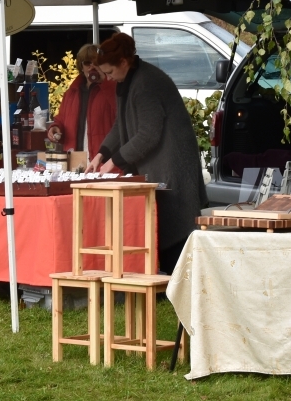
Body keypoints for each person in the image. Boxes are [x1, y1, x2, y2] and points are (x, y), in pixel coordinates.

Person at [87, 33, 207, 274]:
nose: (108, 78)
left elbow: (149, 133)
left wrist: (115, 161)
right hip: (158, 165)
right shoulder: (127, 81)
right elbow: (121, 126)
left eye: (110, 72)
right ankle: (168, 280)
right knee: (162, 223)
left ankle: (178, 281)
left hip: (173, 164)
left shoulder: (146, 83)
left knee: (176, 224)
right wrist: (101, 154)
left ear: (123, 62)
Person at [46, 43, 117, 158]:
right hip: (76, 157)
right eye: (87, 63)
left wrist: (105, 81)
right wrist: (55, 128)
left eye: (97, 62)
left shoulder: (112, 89)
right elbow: (61, 119)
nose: (92, 67)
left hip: (103, 158)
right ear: (81, 66)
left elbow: (121, 113)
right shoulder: (71, 93)